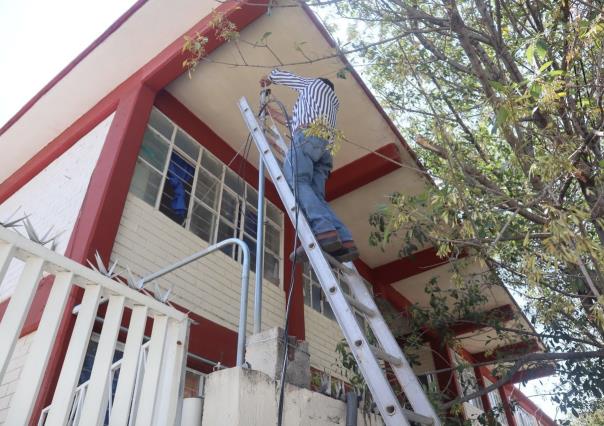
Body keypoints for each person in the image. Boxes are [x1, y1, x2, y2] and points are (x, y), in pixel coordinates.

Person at [260, 69, 359, 262]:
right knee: (316, 196)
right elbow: (294, 122)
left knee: (297, 181)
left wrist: (270, 77)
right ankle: (344, 239)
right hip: (324, 149)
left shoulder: (314, 85)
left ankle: (323, 231)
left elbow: (290, 78)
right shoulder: (330, 106)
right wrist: (272, 113)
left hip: (307, 139)